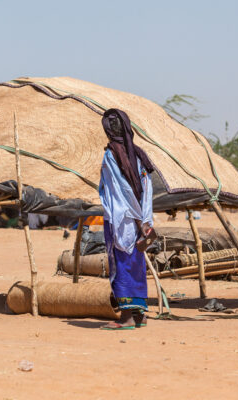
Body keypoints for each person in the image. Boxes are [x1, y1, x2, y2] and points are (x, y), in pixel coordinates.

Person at [98, 108, 154, 330]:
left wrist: (138, 219)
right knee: (136, 265)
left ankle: (127, 316)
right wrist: (146, 219)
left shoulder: (111, 155)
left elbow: (121, 190)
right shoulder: (139, 154)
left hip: (121, 219)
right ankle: (139, 315)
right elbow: (147, 188)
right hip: (140, 219)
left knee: (122, 264)